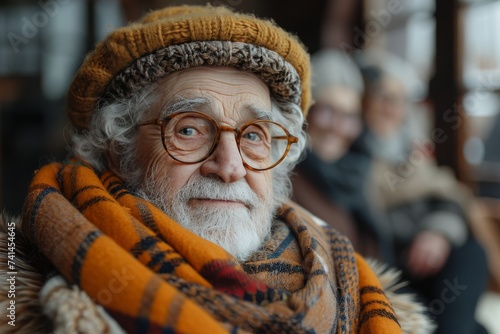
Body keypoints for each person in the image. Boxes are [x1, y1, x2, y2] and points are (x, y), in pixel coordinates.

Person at [0, 5, 431, 333]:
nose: (229, 166)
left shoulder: (350, 284)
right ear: (119, 150)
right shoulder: (17, 296)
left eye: (255, 135)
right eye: (188, 129)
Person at [358, 61, 490, 334]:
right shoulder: (353, 159)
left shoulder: (410, 154)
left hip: (434, 255)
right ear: (364, 102)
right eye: (383, 97)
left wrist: (436, 232)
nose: (391, 108)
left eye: (400, 101)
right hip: (395, 264)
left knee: (471, 252)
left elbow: (451, 195)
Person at [291, 48, 393, 264]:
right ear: (304, 112)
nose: (337, 127)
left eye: (349, 116)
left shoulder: (360, 168)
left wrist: (438, 228)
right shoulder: (285, 177)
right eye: (327, 111)